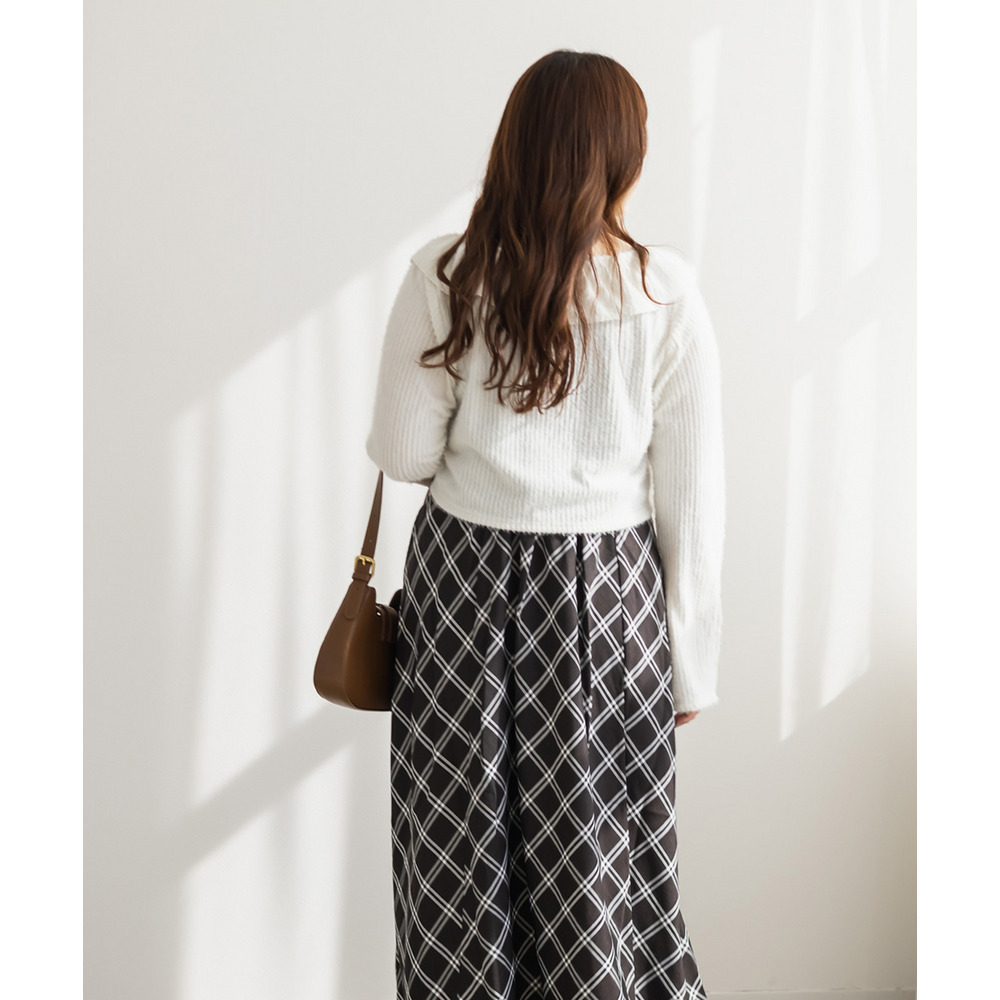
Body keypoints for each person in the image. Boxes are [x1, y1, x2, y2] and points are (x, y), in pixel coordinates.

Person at [365, 49, 725, 1000]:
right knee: (602, 863)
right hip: (605, 605)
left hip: (463, 592)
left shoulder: (446, 275)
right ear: (622, 156)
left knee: (460, 853)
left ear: (514, 143)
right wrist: (690, 662)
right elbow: (693, 497)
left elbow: (403, 452)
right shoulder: (664, 293)